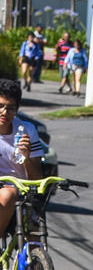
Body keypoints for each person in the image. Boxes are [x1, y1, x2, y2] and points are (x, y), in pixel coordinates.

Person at [0, 79, 44, 236]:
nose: (5, 112)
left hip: (22, 195)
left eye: (10, 108)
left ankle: (36, 259)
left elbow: (36, 177)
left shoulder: (27, 129)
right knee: (8, 194)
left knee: (35, 237)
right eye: (0, 106)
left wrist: (26, 157)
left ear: (17, 109)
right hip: (4, 194)